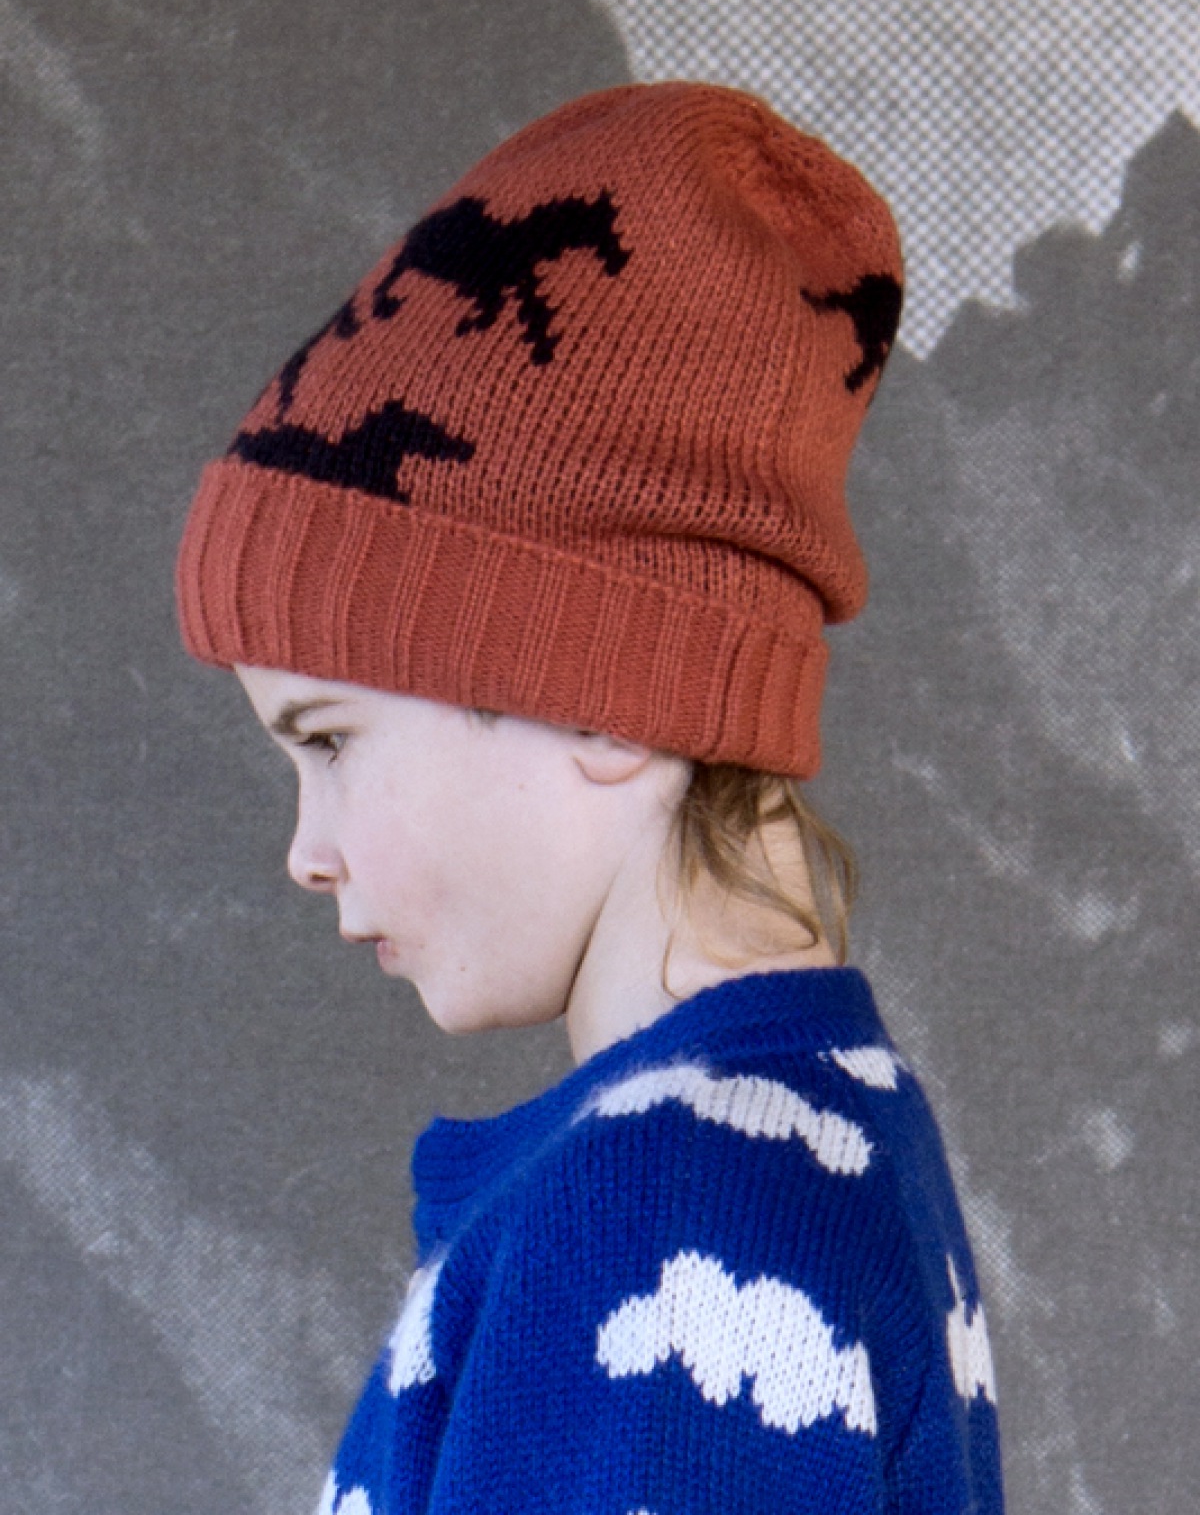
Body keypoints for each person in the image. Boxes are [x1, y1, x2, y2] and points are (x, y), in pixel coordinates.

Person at [175, 80, 1004, 1514]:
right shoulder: (830, 1131)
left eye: (331, 740)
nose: (306, 852)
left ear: (599, 699)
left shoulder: (659, 1211)